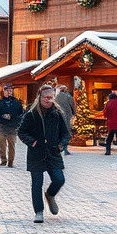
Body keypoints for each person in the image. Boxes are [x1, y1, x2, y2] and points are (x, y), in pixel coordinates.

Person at [19, 84, 72, 223]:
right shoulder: (31, 114)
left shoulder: (57, 114)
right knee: (37, 183)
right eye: (45, 97)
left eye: (50, 97)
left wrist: (61, 144)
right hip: (36, 153)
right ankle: (39, 211)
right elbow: (21, 131)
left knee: (59, 179)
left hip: (53, 152)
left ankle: (50, 194)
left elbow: (66, 133)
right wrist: (32, 142)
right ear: (39, 97)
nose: (47, 100)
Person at [0, 87, 24, 167]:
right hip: (2, 126)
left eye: (10, 90)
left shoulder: (16, 103)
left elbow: (20, 115)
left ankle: (11, 161)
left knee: (11, 145)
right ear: (3, 92)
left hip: (12, 127)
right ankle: (3, 160)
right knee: (2, 144)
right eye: (6, 90)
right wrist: (3, 118)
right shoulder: (0, 102)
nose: (8, 92)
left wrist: (11, 117)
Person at [54, 84, 76, 155]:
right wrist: (74, 113)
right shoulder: (69, 97)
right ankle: (65, 148)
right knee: (66, 131)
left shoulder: (56, 97)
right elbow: (73, 106)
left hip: (58, 115)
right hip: (67, 115)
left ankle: (59, 146)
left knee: (59, 131)